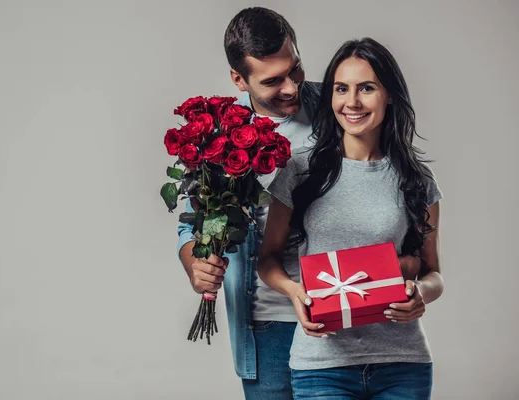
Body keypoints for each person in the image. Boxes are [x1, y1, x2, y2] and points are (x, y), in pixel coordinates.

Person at [177, 8, 420, 399]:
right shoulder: (220, 136)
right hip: (269, 319)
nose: (290, 87)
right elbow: (195, 222)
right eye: (273, 81)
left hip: (351, 309)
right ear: (239, 79)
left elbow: (395, 191)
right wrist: (195, 261)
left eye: (296, 69)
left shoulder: (341, 105)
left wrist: (409, 271)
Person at [257, 37, 444, 399]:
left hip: (402, 364)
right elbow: (268, 259)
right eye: (342, 89)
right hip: (322, 366)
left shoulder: (418, 179)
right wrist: (295, 291)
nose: (352, 102)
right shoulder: (299, 172)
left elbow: (432, 271)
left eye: (367, 88)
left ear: (389, 95)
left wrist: (421, 292)